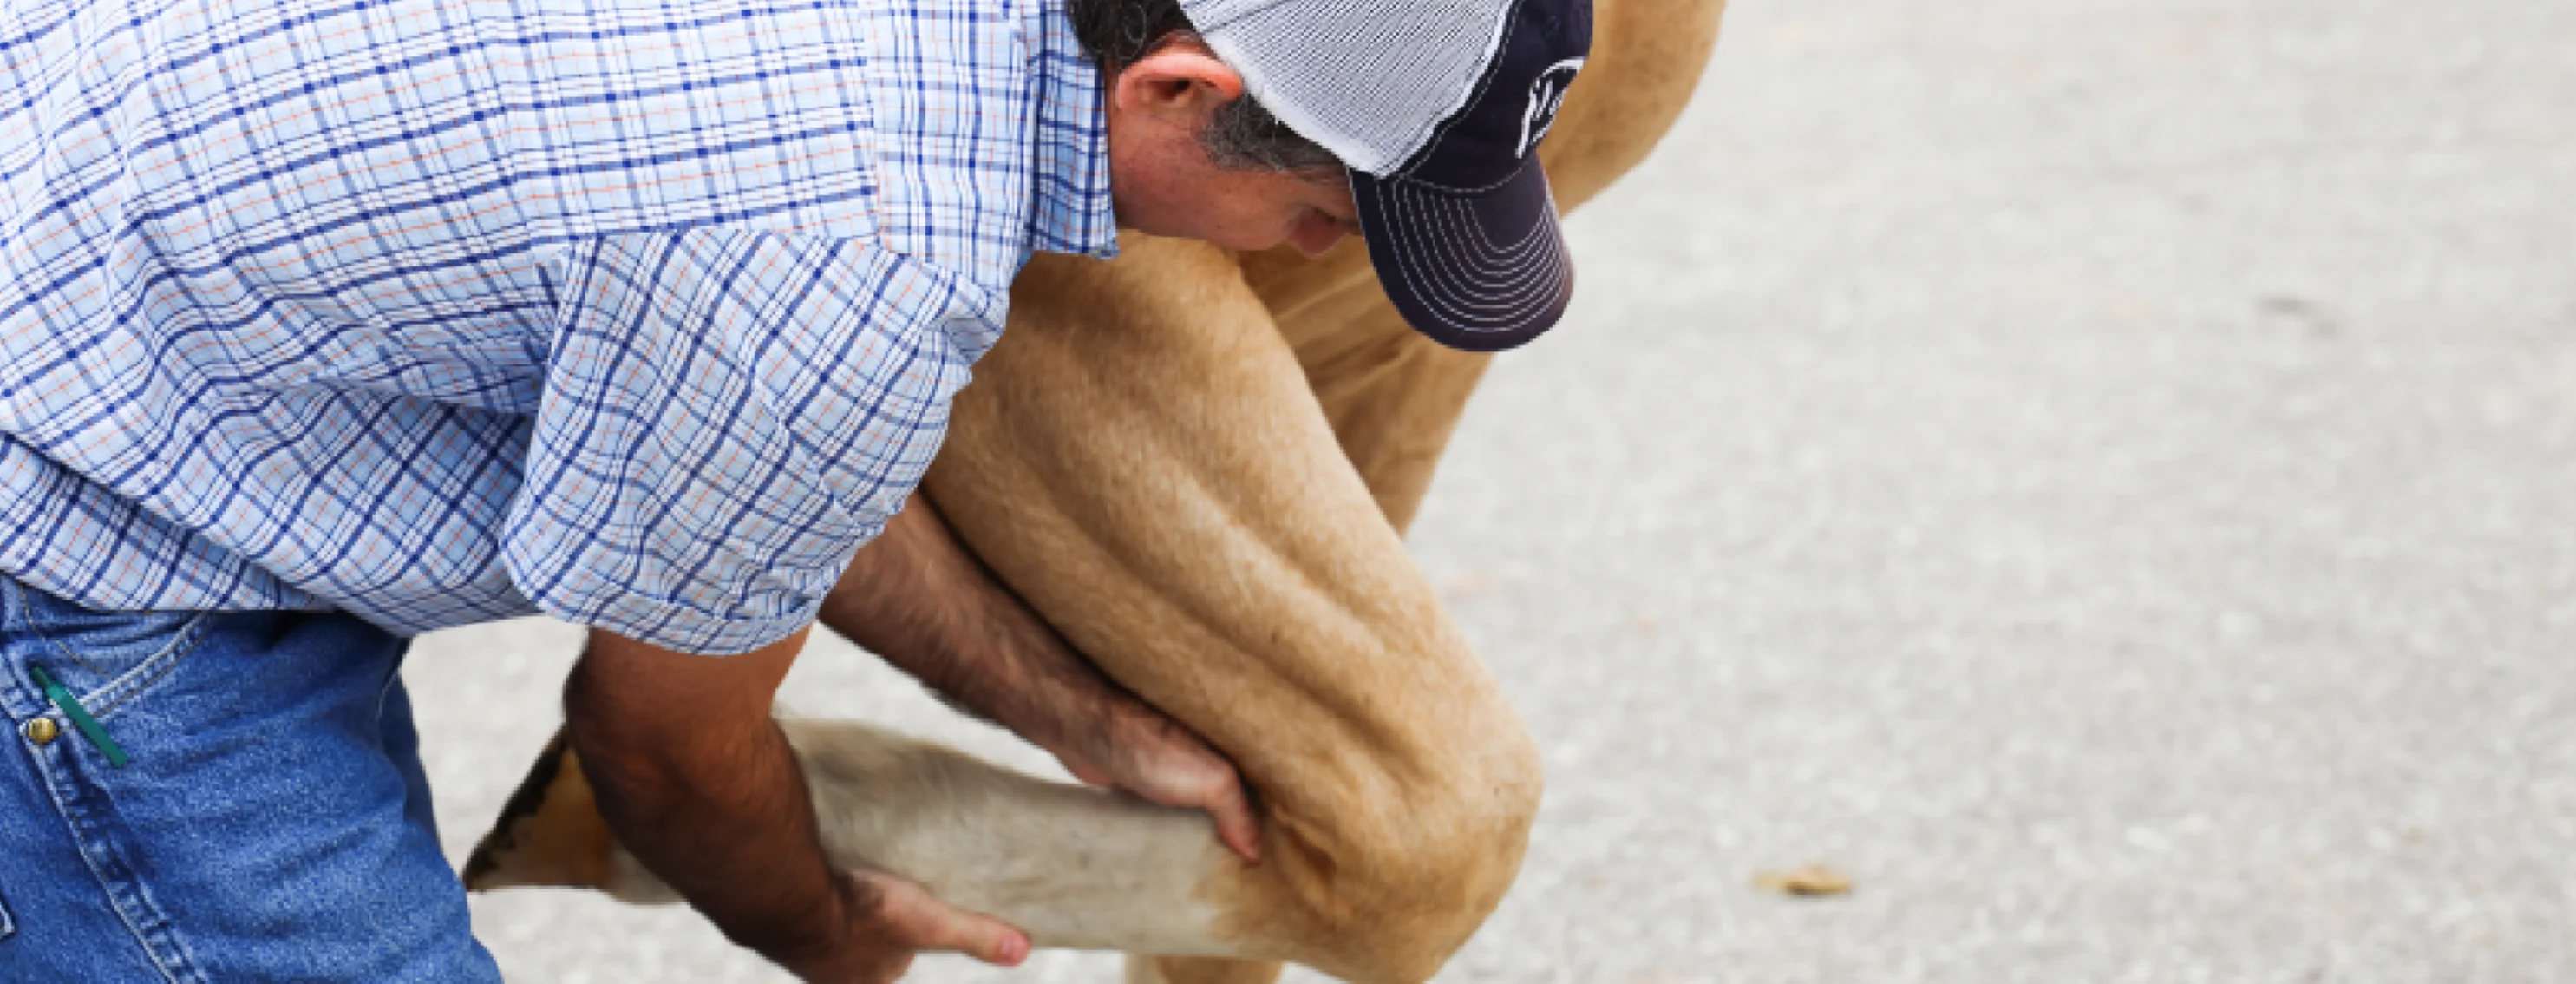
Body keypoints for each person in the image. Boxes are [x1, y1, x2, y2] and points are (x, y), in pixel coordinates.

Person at [0, 0, 1590, 974]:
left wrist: (1072, 710)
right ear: (1174, 91)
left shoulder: (906, 91)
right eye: (1331, 211)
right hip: (82, 555)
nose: (1326, 260)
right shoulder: (862, 260)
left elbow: (771, 466)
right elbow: (664, 755)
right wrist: (828, 932)